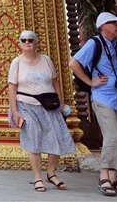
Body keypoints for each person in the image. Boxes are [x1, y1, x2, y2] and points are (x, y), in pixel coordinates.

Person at [70, 12, 117, 197]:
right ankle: (103, 176)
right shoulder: (94, 43)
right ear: (103, 26)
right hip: (103, 97)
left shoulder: (116, 45)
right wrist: (90, 82)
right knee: (113, 136)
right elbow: (73, 63)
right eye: (114, 23)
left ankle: (114, 179)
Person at [8, 29, 75, 191]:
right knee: (34, 139)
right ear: (19, 43)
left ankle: (51, 173)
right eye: (24, 40)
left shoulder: (46, 59)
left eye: (31, 40)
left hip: (49, 105)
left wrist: (60, 102)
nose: (27, 43)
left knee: (57, 136)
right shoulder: (17, 62)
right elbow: (12, 87)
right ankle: (37, 177)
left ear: (36, 43)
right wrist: (15, 111)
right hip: (26, 105)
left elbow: (55, 81)